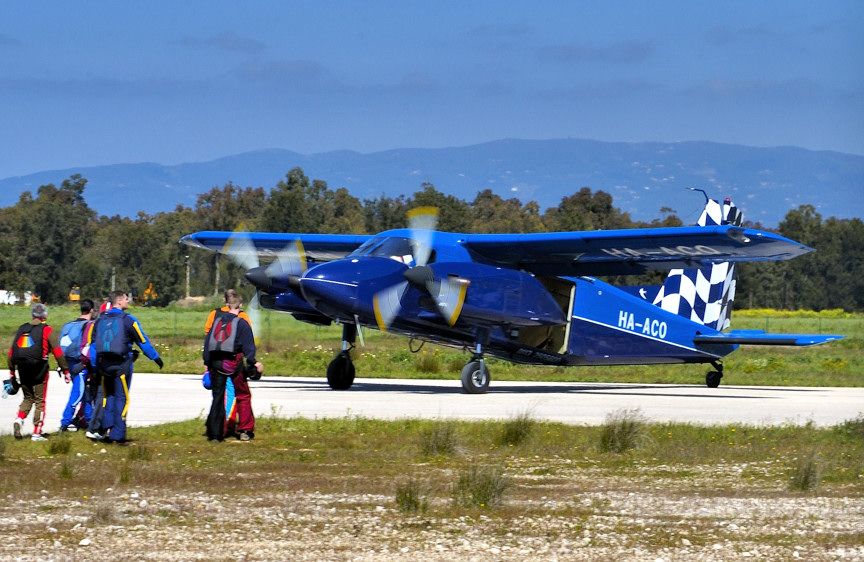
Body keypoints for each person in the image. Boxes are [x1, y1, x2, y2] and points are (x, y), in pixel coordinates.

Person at [88, 290, 163, 444]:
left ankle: (105, 429)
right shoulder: (128, 320)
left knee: (108, 397)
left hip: (103, 366)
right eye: (126, 299)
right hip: (122, 365)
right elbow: (143, 341)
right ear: (120, 301)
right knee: (122, 399)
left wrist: (96, 367)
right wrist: (156, 358)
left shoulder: (100, 319)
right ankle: (118, 435)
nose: (128, 301)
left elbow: (93, 345)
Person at [203, 290, 262, 442]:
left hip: (215, 363)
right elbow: (249, 348)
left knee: (217, 397)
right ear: (241, 305)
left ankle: (215, 434)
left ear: (227, 304)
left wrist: (207, 364)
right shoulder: (242, 322)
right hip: (233, 363)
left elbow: (208, 343)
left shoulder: (217, 320)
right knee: (243, 395)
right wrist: (254, 364)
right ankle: (245, 430)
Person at [6, 303, 70, 441]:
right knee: (40, 401)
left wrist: (12, 372)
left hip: (22, 370)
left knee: (28, 397)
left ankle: (19, 419)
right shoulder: (46, 330)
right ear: (44, 315)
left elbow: (11, 353)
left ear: (32, 314)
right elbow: (58, 352)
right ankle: (37, 432)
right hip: (39, 371)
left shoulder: (22, 329)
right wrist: (65, 370)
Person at [58, 299, 96, 431]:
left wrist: (62, 366)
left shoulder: (68, 325)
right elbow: (90, 347)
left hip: (68, 362)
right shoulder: (90, 325)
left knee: (86, 393)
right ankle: (65, 421)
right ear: (91, 310)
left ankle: (89, 420)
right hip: (81, 364)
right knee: (78, 394)